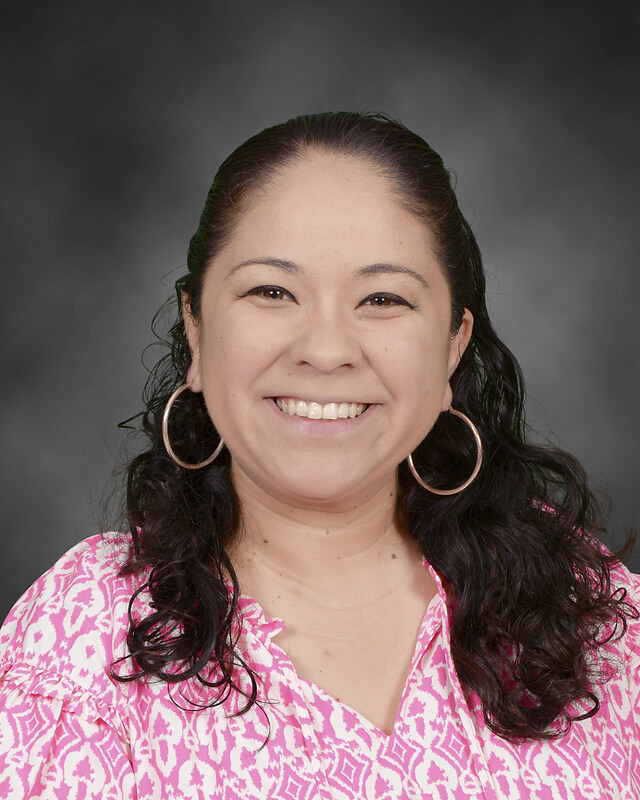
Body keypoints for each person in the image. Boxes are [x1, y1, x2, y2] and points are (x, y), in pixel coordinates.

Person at [0, 112, 638, 800]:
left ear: (454, 344)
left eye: (383, 298)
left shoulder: (585, 609)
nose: (327, 350)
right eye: (272, 292)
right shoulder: (80, 635)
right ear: (197, 327)